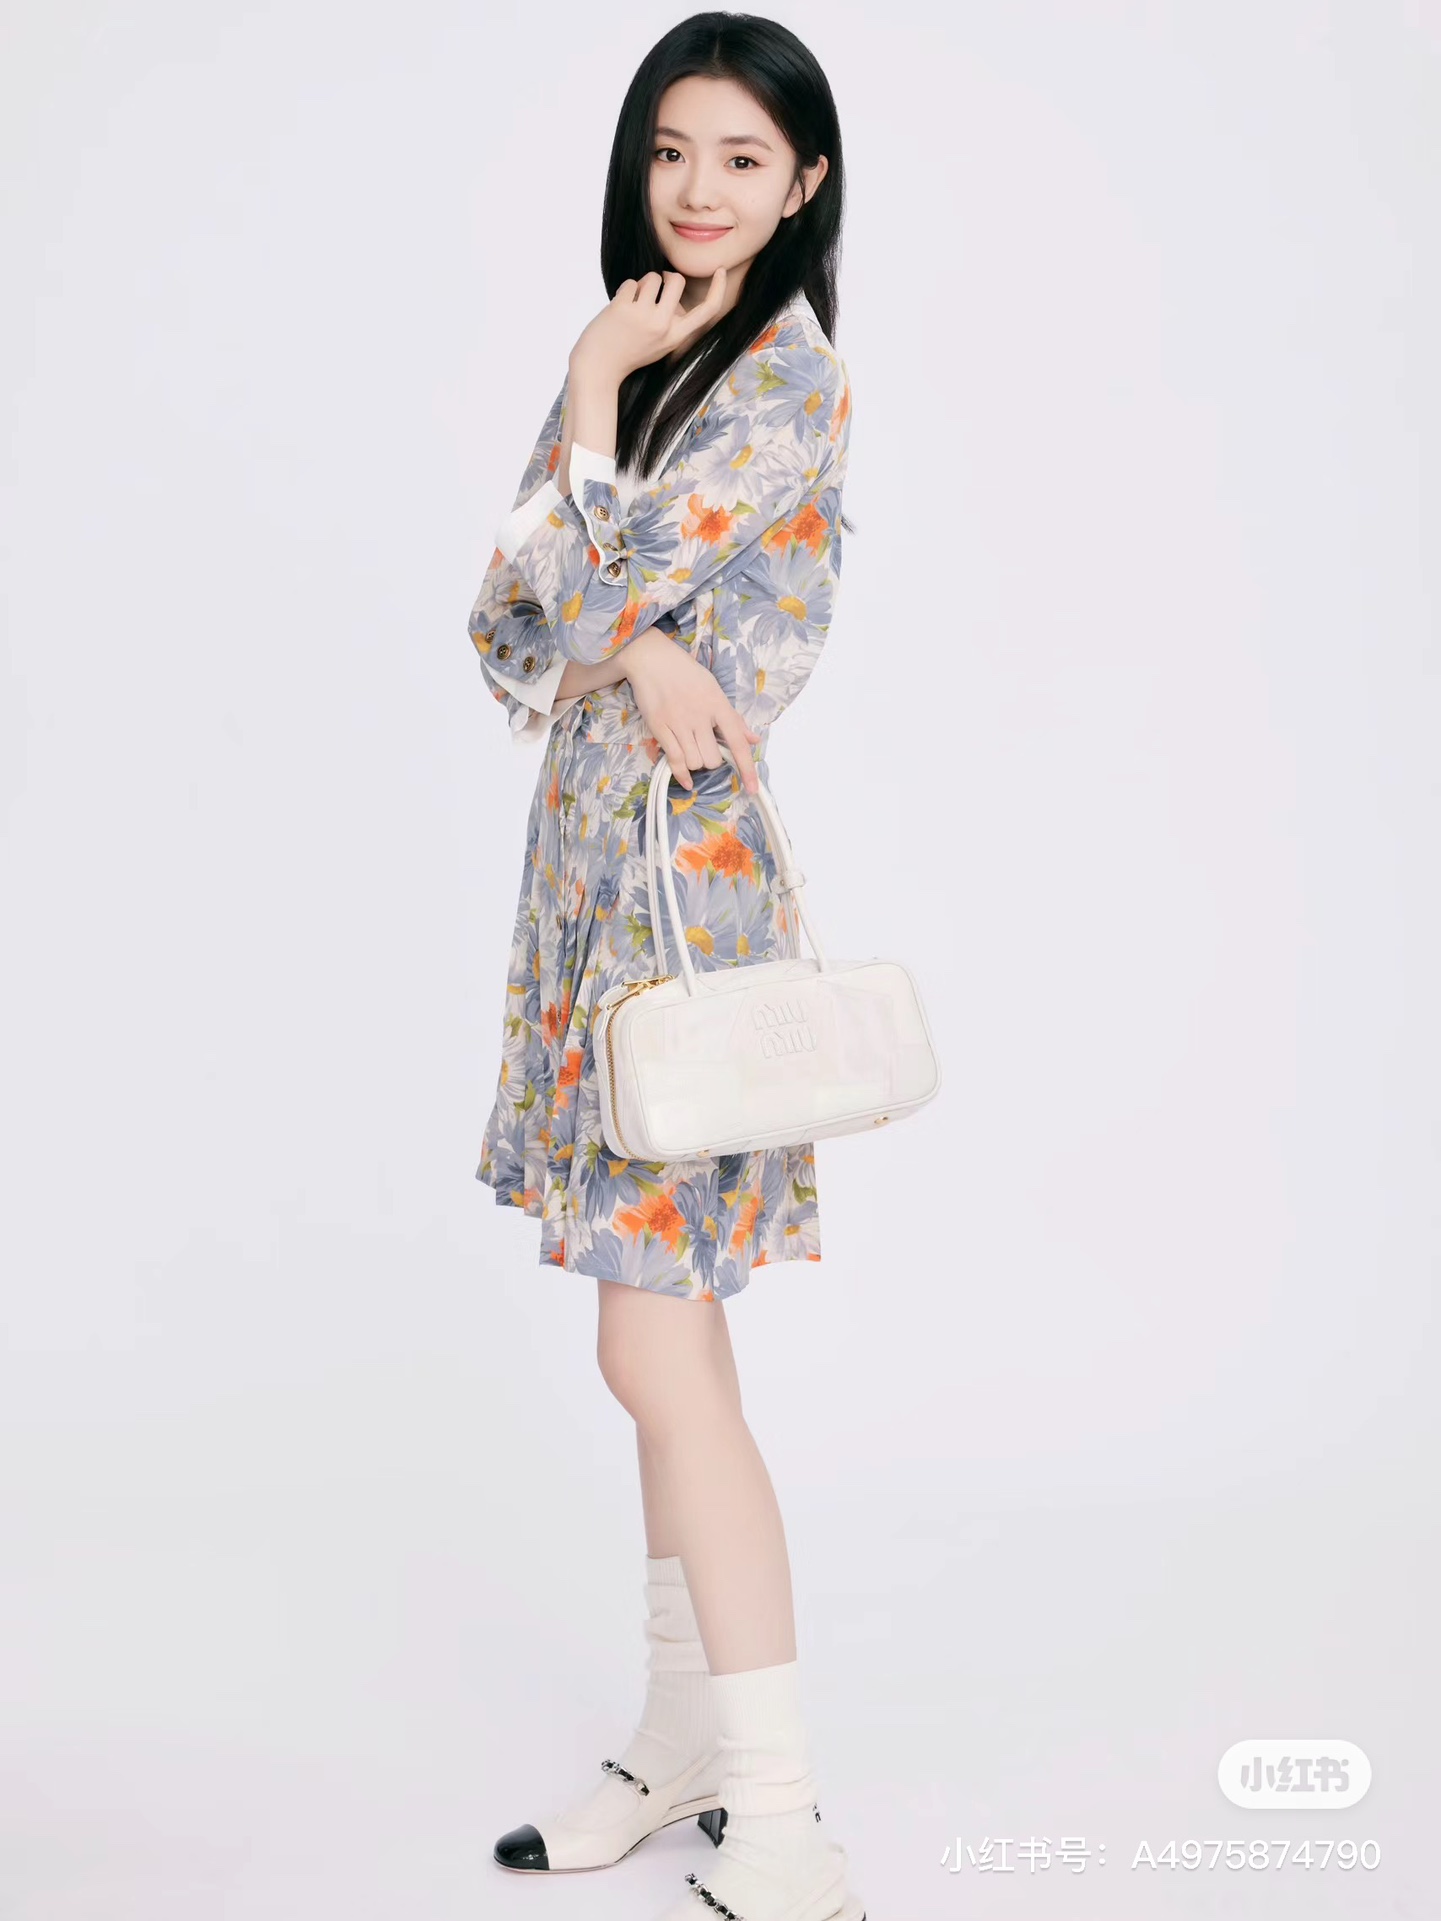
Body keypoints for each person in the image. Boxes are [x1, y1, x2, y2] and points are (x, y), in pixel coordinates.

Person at [466, 15, 864, 1920]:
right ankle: (677, 1736)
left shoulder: (787, 383)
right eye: (670, 152)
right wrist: (625, 633)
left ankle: (782, 1818)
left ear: (802, 184)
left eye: (739, 158)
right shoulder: (640, 352)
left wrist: (585, 418)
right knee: (659, 1353)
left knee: (656, 1346)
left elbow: (573, 579)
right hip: (587, 892)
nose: (696, 190)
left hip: (678, 904)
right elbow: (506, 618)